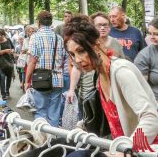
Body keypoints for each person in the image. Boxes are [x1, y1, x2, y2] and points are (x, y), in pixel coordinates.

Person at [64, 15, 158, 145]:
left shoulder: (121, 72)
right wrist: (80, 127)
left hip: (146, 149)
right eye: (73, 54)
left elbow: (151, 118)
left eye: (81, 51)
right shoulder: (100, 75)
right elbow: (101, 114)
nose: (78, 60)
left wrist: (129, 149)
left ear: (97, 45)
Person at [67, 12, 125, 104]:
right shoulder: (78, 44)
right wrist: (72, 89)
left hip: (112, 93)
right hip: (88, 93)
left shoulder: (116, 45)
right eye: (99, 25)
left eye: (105, 25)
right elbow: (75, 67)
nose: (102, 28)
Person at [25, 10, 65, 127]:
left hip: (40, 79)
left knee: (40, 111)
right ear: (51, 23)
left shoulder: (35, 37)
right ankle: (52, 140)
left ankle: (41, 139)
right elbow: (62, 60)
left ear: (38, 23)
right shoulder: (59, 38)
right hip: (57, 79)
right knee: (55, 113)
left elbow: (32, 62)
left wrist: (26, 81)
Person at [134, 17, 158, 101]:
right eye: (150, 33)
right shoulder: (144, 55)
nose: (151, 37)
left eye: (156, 34)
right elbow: (141, 89)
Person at [0, 29, 15, 100]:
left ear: (4, 34)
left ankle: (7, 90)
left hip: (9, 62)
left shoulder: (8, 40)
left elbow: (13, 48)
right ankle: (3, 94)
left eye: (1, 35)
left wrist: (12, 51)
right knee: (2, 78)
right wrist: (5, 51)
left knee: (9, 78)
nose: (0, 36)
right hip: (1, 63)